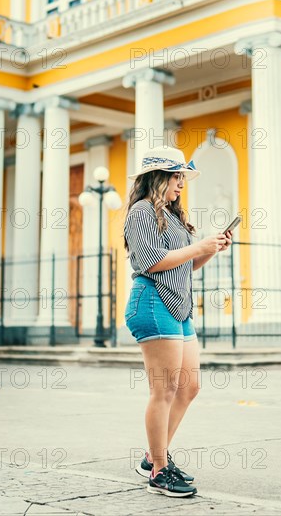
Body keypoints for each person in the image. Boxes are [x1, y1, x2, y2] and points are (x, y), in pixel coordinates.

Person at [122, 145, 233, 497]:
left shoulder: (172, 217)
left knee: (189, 387)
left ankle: (152, 457)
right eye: (175, 176)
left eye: (182, 176)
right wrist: (198, 247)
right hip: (152, 301)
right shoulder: (141, 212)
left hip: (179, 306)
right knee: (164, 390)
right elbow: (152, 261)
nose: (181, 183)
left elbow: (182, 263)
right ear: (157, 177)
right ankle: (159, 470)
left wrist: (209, 251)